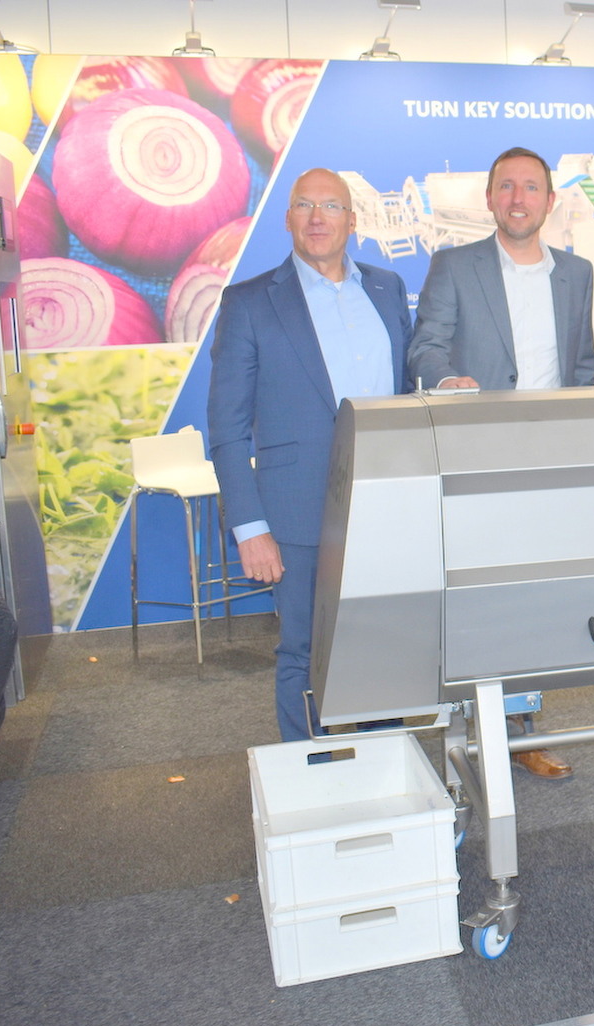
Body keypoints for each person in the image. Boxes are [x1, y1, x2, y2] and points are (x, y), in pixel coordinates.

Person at [408, 145, 594, 778]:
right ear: (489, 198)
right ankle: (467, 734)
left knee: (537, 602)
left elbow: (583, 365)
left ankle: (521, 733)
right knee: (478, 602)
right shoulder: (454, 266)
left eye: (531, 187)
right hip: (479, 461)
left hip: (550, 467)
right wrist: (447, 379)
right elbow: (425, 346)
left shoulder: (577, 273)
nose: (519, 199)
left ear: (550, 200)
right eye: (507, 187)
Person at [207, 167, 413, 742]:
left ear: (353, 220)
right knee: (305, 651)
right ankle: (311, 769)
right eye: (304, 205)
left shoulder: (387, 289)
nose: (318, 217)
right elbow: (226, 428)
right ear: (287, 218)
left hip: (388, 505)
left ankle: (384, 763)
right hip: (296, 513)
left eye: (331, 206)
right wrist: (251, 528)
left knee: (386, 645)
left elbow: (408, 388)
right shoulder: (250, 302)